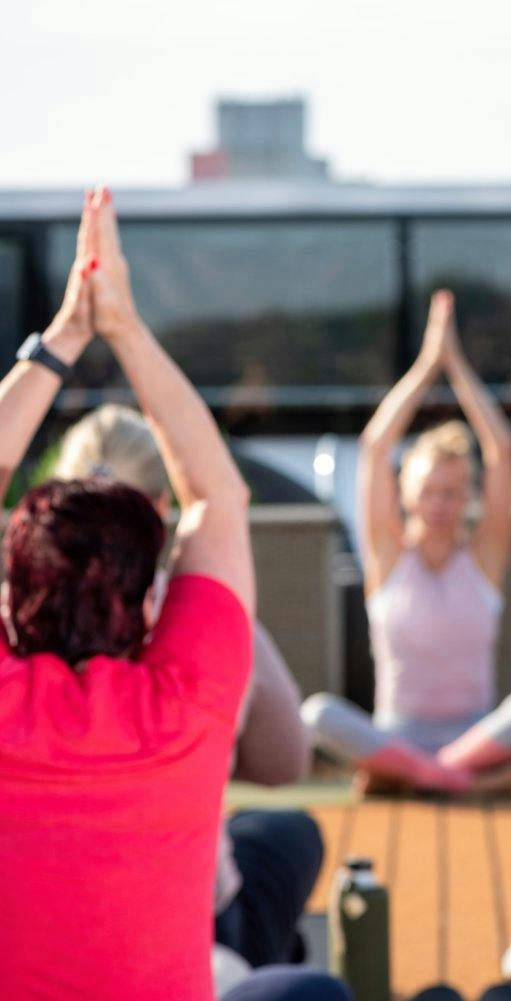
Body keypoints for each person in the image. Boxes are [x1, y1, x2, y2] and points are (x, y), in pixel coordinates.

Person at [0, 187, 257, 999]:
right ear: (148, 595)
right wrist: (121, 328)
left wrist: (60, 340)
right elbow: (216, 495)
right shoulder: (190, 700)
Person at [53, 404, 334, 998]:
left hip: (55, 919)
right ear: (160, 510)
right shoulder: (211, 633)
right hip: (189, 928)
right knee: (286, 840)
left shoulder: (20, 641)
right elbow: (287, 765)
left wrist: (49, 359)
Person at [301, 290, 511, 793]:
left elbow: (502, 449)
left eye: (451, 492)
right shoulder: (387, 556)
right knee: (316, 714)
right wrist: (428, 365)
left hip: (476, 734)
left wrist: (458, 367)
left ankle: (421, 777)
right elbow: (375, 447)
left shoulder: (484, 557)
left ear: (469, 496)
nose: (440, 504)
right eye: (428, 491)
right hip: (397, 735)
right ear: (404, 493)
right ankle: (460, 782)